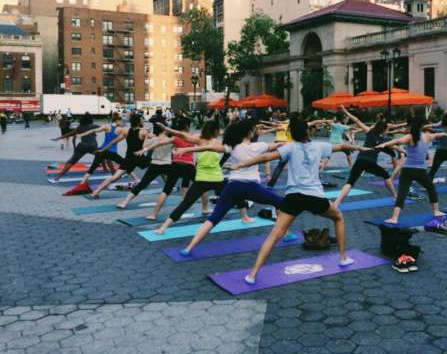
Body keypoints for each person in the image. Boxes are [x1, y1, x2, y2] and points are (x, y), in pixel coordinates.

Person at [224, 118, 365, 285]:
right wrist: (359, 148)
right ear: (308, 131)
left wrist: (240, 165)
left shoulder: (290, 147)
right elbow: (342, 147)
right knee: (338, 217)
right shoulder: (319, 146)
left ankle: (252, 274)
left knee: (274, 236)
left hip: (294, 197)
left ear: (292, 133)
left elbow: (266, 157)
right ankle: (343, 258)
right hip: (315, 197)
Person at [176, 119, 286, 248]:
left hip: (233, 187)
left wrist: (187, 149)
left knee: (213, 218)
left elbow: (209, 147)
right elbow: (276, 146)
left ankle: (189, 247)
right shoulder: (259, 146)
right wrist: (289, 143)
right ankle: (286, 233)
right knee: (281, 203)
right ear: (249, 133)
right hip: (252, 187)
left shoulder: (233, 146)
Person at [374, 117, 447, 224]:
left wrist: (384, 144)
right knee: (431, 188)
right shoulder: (426, 136)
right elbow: (437, 135)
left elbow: (397, 141)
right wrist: (445, 134)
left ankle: (394, 218)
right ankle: (436, 211)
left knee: (402, 193)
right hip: (421, 171)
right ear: (422, 126)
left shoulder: (409, 137)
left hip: (407, 170)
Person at [332, 108, 397, 207]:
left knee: (350, 182)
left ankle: (336, 202)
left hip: (360, 161)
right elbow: (395, 147)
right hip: (370, 163)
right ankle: (395, 196)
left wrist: (345, 110)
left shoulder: (370, 131)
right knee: (386, 176)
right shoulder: (383, 141)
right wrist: (403, 151)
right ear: (383, 130)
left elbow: (357, 120)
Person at [63, 112, 129, 195]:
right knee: (126, 164)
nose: (122, 122)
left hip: (100, 150)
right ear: (117, 120)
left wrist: (81, 134)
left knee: (92, 168)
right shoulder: (121, 129)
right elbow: (130, 133)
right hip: (110, 152)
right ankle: (135, 179)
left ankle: (82, 183)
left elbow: (93, 130)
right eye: (121, 121)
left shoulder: (106, 126)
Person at [89, 113, 152, 199]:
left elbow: (113, 142)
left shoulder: (126, 131)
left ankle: (95, 192)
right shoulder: (143, 132)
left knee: (114, 177)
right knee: (159, 167)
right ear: (138, 121)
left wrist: (102, 150)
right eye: (142, 119)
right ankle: (168, 187)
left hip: (129, 158)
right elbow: (146, 145)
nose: (143, 121)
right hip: (140, 157)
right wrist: (148, 136)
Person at [52, 113, 100, 181]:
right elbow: (105, 128)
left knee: (71, 162)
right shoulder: (94, 126)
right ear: (90, 120)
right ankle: (110, 171)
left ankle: (58, 177)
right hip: (92, 146)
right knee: (102, 155)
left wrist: (58, 138)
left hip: (82, 146)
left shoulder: (80, 127)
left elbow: (70, 134)